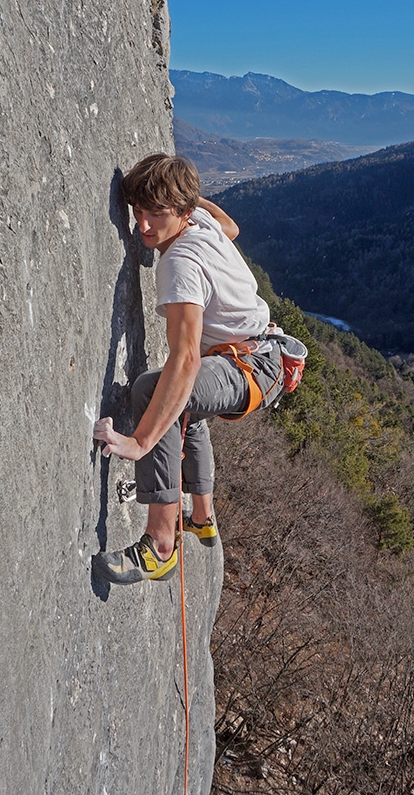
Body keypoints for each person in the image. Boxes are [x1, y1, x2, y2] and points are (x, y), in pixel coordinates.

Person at [92, 153, 283, 585]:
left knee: (155, 391)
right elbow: (231, 227)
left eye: (156, 215)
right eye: (137, 213)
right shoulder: (204, 223)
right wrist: (192, 201)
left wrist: (141, 441)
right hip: (264, 353)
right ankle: (201, 514)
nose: (143, 227)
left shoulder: (179, 264)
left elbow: (185, 358)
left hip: (250, 365)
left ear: (182, 212)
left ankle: (160, 546)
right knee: (184, 406)